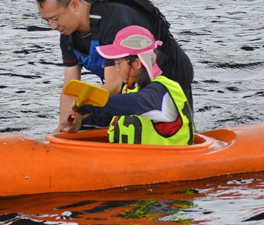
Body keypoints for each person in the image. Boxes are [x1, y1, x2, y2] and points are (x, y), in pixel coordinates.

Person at [35, 0, 194, 131]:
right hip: (130, 83)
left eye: (55, 19)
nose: (53, 27)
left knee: (168, 128)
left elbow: (115, 84)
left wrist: (83, 110)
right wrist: (65, 125)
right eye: (47, 21)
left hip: (168, 81)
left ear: (74, 5)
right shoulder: (67, 33)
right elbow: (69, 88)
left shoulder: (114, 21)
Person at [64, 26, 194, 145]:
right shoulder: (130, 89)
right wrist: (80, 119)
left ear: (137, 63)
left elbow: (134, 103)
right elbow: (111, 113)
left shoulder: (161, 92)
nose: (116, 69)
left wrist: (89, 106)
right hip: (134, 163)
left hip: (172, 163)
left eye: (118, 62)